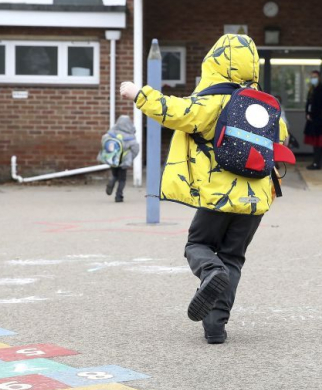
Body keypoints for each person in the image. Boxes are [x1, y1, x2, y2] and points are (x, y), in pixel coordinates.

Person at [119, 34, 288, 344]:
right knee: (233, 259)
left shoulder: (212, 100)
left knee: (197, 245)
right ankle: (215, 327)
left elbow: (176, 112)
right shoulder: (264, 104)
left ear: (216, 62)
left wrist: (137, 94)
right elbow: (282, 139)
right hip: (254, 200)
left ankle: (210, 271)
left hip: (217, 195)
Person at [99, 115, 139, 203]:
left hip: (113, 159)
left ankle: (111, 181)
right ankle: (119, 196)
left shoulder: (111, 133)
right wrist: (130, 158)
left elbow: (104, 140)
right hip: (124, 161)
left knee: (114, 175)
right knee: (122, 179)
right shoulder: (130, 136)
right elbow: (136, 148)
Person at [304, 70, 322, 170]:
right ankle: (315, 161)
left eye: (315, 77)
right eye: (312, 77)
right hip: (312, 119)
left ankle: (317, 162)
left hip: (318, 119)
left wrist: (312, 114)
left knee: (319, 141)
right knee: (314, 141)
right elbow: (309, 103)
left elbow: (319, 104)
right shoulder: (311, 89)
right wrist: (308, 113)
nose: (313, 79)